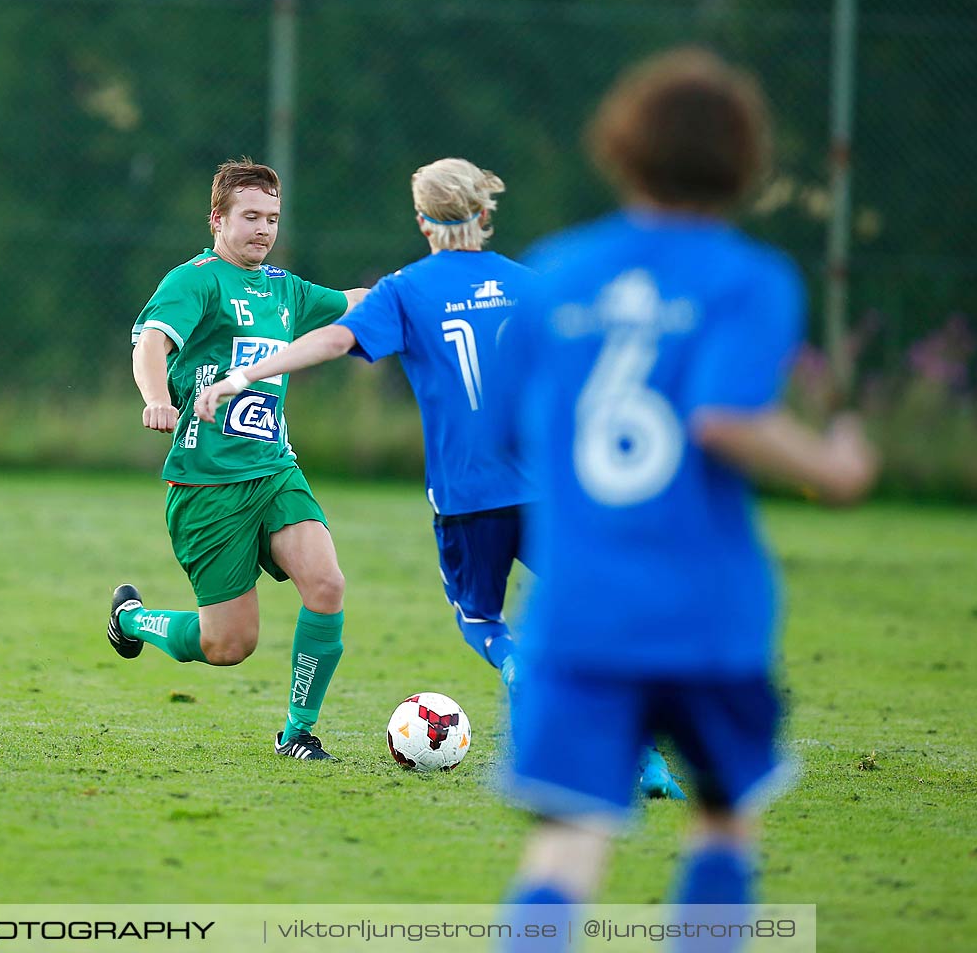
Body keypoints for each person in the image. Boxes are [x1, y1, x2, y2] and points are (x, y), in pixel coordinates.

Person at [492, 48, 878, 944]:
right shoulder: (750, 279)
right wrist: (835, 467)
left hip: (582, 609)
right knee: (720, 822)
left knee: (566, 846)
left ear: (621, 147)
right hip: (706, 614)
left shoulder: (557, 272)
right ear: (744, 160)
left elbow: (520, 421)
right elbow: (723, 418)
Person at [195, 158, 683, 800]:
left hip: (467, 497)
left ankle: (518, 671)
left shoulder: (407, 289)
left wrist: (246, 375)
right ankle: (648, 761)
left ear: (423, 221)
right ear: (484, 215)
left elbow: (335, 342)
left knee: (481, 620)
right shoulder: (531, 283)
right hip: (548, 489)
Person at [109, 158, 367, 761]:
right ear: (218, 219)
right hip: (207, 485)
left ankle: (297, 734)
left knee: (326, 584)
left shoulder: (286, 288)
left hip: (275, 470)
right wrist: (154, 399)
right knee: (228, 646)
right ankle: (133, 618)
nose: (263, 229)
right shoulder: (194, 281)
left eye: (272, 218)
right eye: (250, 216)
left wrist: (425, 286)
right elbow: (151, 344)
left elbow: (355, 302)